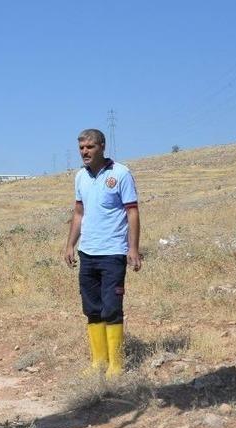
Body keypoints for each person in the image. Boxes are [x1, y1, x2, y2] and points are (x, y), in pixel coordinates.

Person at [64, 129, 141, 379]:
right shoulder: (80, 177)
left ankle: (116, 365)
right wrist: (70, 245)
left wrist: (133, 248)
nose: (85, 152)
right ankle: (98, 362)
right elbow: (78, 213)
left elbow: (132, 212)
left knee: (111, 308)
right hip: (88, 253)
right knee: (92, 309)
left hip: (113, 254)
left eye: (90, 147)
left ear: (102, 147)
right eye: (81, 148)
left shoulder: (120, 174)